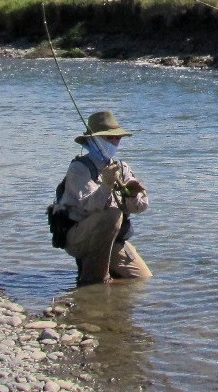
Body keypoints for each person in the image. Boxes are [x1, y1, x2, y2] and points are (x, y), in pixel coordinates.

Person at [58, 110, 152, 285]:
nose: (115, 142)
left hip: (113, 238)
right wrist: (107, 185)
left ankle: (105, 274)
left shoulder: (122, 168)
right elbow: (88, 206)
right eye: (110, 138)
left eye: (117, 138)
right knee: (112, 215)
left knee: (142, 280)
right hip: (78, 235)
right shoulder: (79, 169)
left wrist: (132, 195)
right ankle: (94, 279)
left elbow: (141, 207)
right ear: (93, 140)